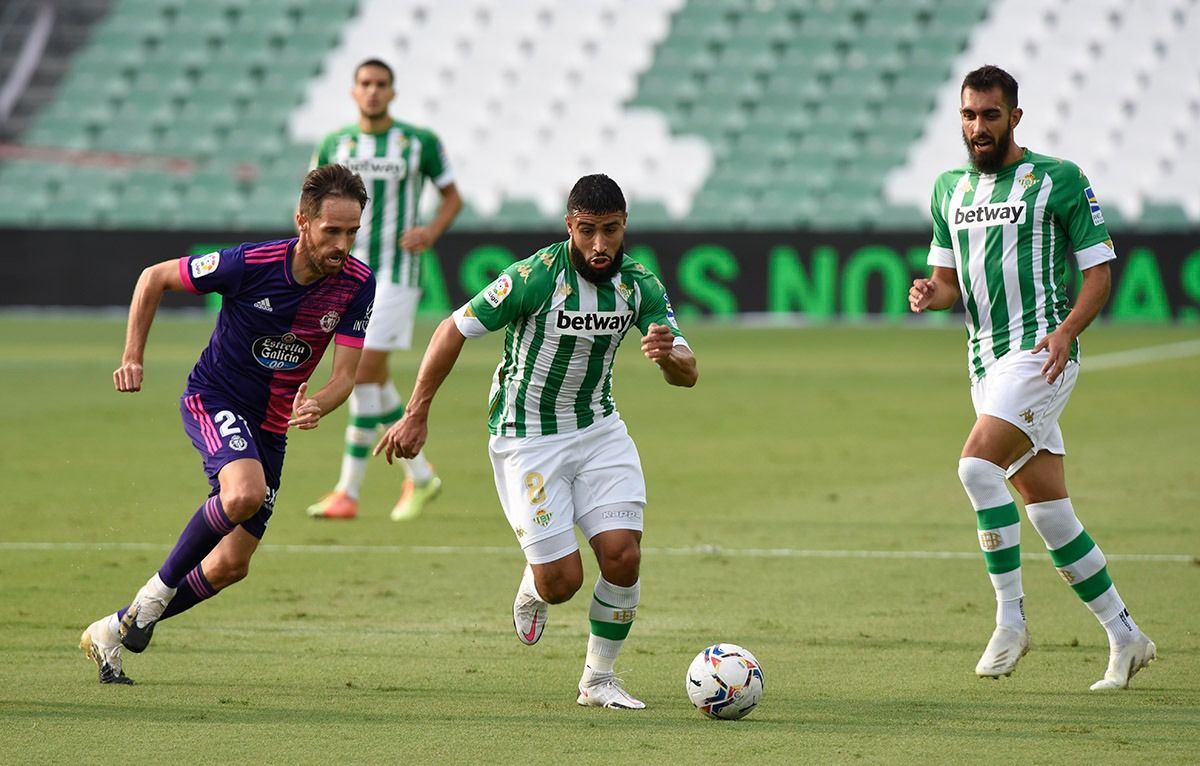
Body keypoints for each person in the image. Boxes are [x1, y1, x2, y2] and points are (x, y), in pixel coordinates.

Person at [375, 174, 698, 709]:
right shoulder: (532, 277)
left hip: (599, 428)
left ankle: (598, 681)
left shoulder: (641, 285)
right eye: (588, 231)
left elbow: (687, 373)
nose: (599, 245)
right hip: (527, 438)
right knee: (561, 583)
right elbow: (452, 329)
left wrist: (669, 356)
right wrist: (416, 412)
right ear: (569, 225)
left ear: (625, 228)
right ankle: (535, 581)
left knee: (622, 555)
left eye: (611, 231)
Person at [909, 65, 1156, 690]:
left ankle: (1011, 620)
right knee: (1049, 513)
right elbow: (945, 286)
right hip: (985, 365)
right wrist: (926, 294)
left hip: (1041, 354)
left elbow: (1097, 271)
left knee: (974, 468)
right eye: (969, 115)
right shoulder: (947, 190)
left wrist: (1070, 330)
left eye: (990, 115)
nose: (978, 127)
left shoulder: (1060, 179)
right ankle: (1127, 637)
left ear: (1015, 117)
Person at [79, 165, 375, 684]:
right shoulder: (248, 263)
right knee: (243, 495)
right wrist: (133, 356)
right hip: (215, 397)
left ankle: (115, 627)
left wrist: (318, 405)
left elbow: (344, 378)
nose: (343, 244)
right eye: (332, 231)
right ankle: (149, 604)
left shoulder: (357, 284)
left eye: (352, 232)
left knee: (230, 566)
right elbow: (154, 277)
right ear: (302, 221)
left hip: (273, 426)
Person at [306, 57, 462, 522]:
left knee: (364, 370)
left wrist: (431, 231)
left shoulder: (419, 142)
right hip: (346, 271)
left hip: (395, 273)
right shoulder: (335, 142)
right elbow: (311, 200)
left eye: (381, 84)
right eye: (365, 83)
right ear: (353, 91)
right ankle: (399, 482)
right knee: (366, 382)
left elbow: (452, 196)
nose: (373, 91)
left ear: (393, 92)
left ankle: (366, 488)